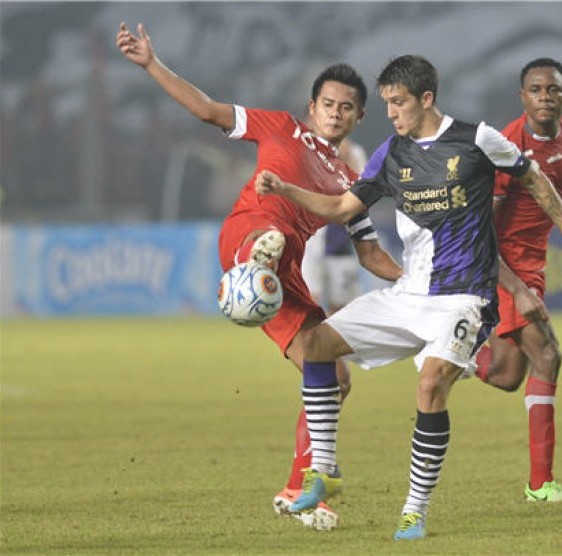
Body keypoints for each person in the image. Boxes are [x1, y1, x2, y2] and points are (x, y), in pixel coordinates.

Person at [254, 55, 562, 540]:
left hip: (463, 299)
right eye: (386, 104)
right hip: (408, 294)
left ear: (426, 99)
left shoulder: (479, 139)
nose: (392, 113)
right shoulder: (389, 154)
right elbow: (341, 206)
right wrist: (285, 189)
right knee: (314, 344)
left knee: (430, 386)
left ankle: (414, 510)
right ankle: (326, 470)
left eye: (398, 102)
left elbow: (538, 182)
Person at [116, 22, 402, 531]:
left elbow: (371, 255)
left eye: (345, 108)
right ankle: (256, 262)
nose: (335, 113)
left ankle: (301, 491)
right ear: (312, 107)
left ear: (358, 116)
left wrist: (417, 285)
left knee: (333, 376)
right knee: (267, 231)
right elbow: (206, 110)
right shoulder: (278, 126)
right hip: (248, 231)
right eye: (327, 104)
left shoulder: (351, 185)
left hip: (287, 271)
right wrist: (151, 64)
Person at [473, 57, 562, 503]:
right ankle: (541, 484)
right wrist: (514, 286)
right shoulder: (508, 147)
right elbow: (486, 224)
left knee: (505, 375)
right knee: (549, 354)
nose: (545, 96)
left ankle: (451, 353)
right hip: (503, 264)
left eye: (553, 89)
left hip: (535, 263)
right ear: (523, 96)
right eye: (537, 90)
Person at [301, 138, 368, 314]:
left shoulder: (355, 152)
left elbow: (365, 191)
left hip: (342, 245)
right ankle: (310, 341)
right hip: (311, 244)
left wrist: (345, 158)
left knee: (341, 311)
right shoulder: (306, 149)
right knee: (309, 303)